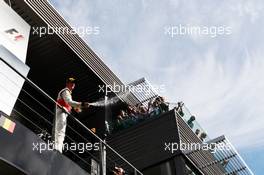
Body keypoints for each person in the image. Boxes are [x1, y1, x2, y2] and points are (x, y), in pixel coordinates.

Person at [53, 77, 89, 153]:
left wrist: (76, 108)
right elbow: (69, 102)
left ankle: (57, 148)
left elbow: (68, 104)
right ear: (67, 84)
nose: (73, 84)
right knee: (60, 131)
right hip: (61, 112)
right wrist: (81, 104)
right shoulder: (65, 91)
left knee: (60, 131)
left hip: (63, 112)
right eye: (71, 82)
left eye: (74, 83)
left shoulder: (68, 93)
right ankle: (57, 149)